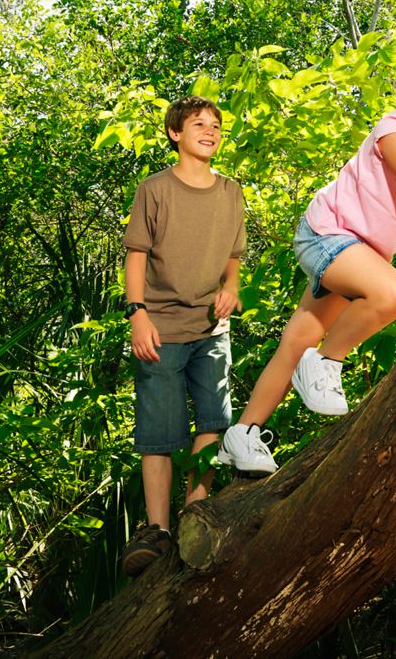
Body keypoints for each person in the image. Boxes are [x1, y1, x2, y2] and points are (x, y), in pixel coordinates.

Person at [216, 46, 396, 475]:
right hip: (328, 235)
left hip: (359, 252)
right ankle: (326, 362)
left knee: (295, 342)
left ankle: (242, 435)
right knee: (393, 292)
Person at [118, 96, 246, 576]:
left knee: (213, 420)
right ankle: (156, 528)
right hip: (160, 329)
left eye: (216, 125)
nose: (210, 131)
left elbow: (233, 259)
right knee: (157, 433)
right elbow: (135, 256)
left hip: (211, 330)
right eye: (199, 124)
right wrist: (137, 315)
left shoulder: (231, 192)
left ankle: (196, 510)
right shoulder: (154, 189)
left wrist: (231, 290)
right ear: (176, 133)